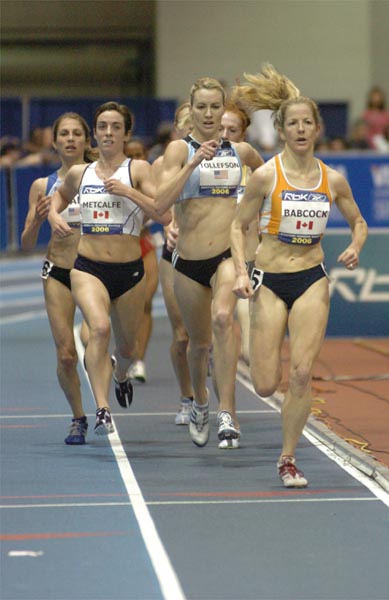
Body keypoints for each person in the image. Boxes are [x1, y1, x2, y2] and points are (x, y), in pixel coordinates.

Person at [230, 63, 368, 486]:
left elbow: (358, 222)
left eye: (308, 122)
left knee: (302, 373)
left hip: (311, 279)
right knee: (266, 382)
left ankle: (288, 458)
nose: (301, 129)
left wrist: (355, 246)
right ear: (283, 130)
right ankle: (239, 329)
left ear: (318, 129)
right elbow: (237, 225)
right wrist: (240, 271)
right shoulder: (267, 176)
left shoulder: (334, 179)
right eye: (293, 123)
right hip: (269, 281)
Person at [48, 101, 170, 436]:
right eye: (102, 126)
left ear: (126, 133)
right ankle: (102, 409)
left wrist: (128, 191)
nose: (108, 133)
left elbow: (163, 213)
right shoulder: (80, 173)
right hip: (87, 267)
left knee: (128, 348)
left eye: (115, 127)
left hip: (129, 271)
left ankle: (120, 374)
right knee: (99, 329)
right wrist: (54, 216)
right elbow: (57, 200)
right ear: (95, 133)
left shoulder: (139, 169)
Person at [155, 78, 264, 449]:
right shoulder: (177, 151)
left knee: (223, 319)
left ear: (223, 110)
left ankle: (228, 411)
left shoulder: (243, 152)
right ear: (191, 109)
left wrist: (256, 228)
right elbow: (159, 203)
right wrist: (193, 163)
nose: (208, 114)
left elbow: (266, 183)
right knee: (198, 345)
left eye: (215, 107)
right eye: (201, 107)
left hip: (226, 258)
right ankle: (201, 401)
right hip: (187, 261)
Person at [21, 112, 93, 445]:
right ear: (54, 141)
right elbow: (26, 243)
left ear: (86, 141)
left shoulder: (99, 177)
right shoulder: (42, 186)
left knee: (95, 339)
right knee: (66, 354)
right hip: (58, 271)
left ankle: (117, 371)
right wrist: (36, 221)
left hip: (96, 271)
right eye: (63, 133)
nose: (70, 139)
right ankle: (78, 417)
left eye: (77, 133)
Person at [154, 102, 195, 425]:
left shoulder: (221, 159)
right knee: (182, 335)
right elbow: (157, 207)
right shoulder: (161, 164)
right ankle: (187, 398)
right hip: (174, 253)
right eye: (184, 127)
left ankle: (223, 406)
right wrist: (168, 225)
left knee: (213, 334)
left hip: (211, 252)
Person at [220, 102, 262, 365]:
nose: (224, 135)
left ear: (242, 136)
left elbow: (272, 191)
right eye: (220, 128)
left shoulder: (251, 164)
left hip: (245, 252)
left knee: (248, 350)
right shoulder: (198, 161)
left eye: (232, 130)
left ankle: (245, 350)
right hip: (211, 253)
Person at [124, 137, 159, 383]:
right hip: (122, 247)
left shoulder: (150, 180)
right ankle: (125, 352)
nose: (137, 158)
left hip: (145, 244)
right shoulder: (117, 180)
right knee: (124, 308)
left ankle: (139, 360)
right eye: (131, 154)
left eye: (140, 153)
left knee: (146, 303)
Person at [361, 86, 389, 150]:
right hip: (369, 142)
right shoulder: (366, 114)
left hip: (384, 142)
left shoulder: (386, 114)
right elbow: (363, 129)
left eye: (378, 96)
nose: (376, 99)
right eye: (374, 96)